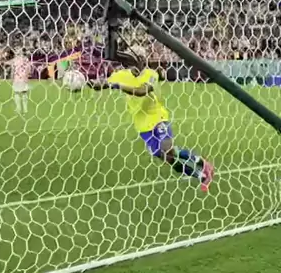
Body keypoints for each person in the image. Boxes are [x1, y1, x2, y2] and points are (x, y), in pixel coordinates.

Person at [91, 49, 214, 193]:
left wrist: (118, 86)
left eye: (138, 59)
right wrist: (86, 82)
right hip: (142, 125)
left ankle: (204, 165)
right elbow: (100, 84)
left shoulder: (151, 74)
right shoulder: (121, 75)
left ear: (142, 60)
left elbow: (142, 91)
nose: (133, 63)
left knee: (167, 147)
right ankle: (200, 175)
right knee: (167, 157)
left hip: (158, 118)